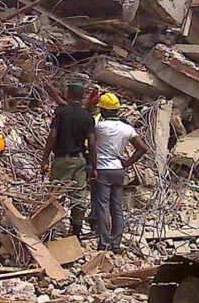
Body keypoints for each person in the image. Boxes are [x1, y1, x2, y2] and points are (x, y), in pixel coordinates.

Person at [41, 82, 97, 239]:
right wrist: (94, 166)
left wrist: (45, 158)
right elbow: (92, 143)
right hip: (79, 161)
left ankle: (51, 231)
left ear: (68, 94)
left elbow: (52, 135)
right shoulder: (88, 116)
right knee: (78, 197)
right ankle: (76, 233)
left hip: (61, 160)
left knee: (55, 194)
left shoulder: (61, 112)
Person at [94, 93, 147, 254]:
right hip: (118, 170)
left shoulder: (99, 127)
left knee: (103, 207)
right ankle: (115, 244)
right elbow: (142, 148)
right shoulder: (127, 129)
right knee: (117, 207)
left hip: (102, 170)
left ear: (104, 110)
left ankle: (103, 243)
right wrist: (126, 163)